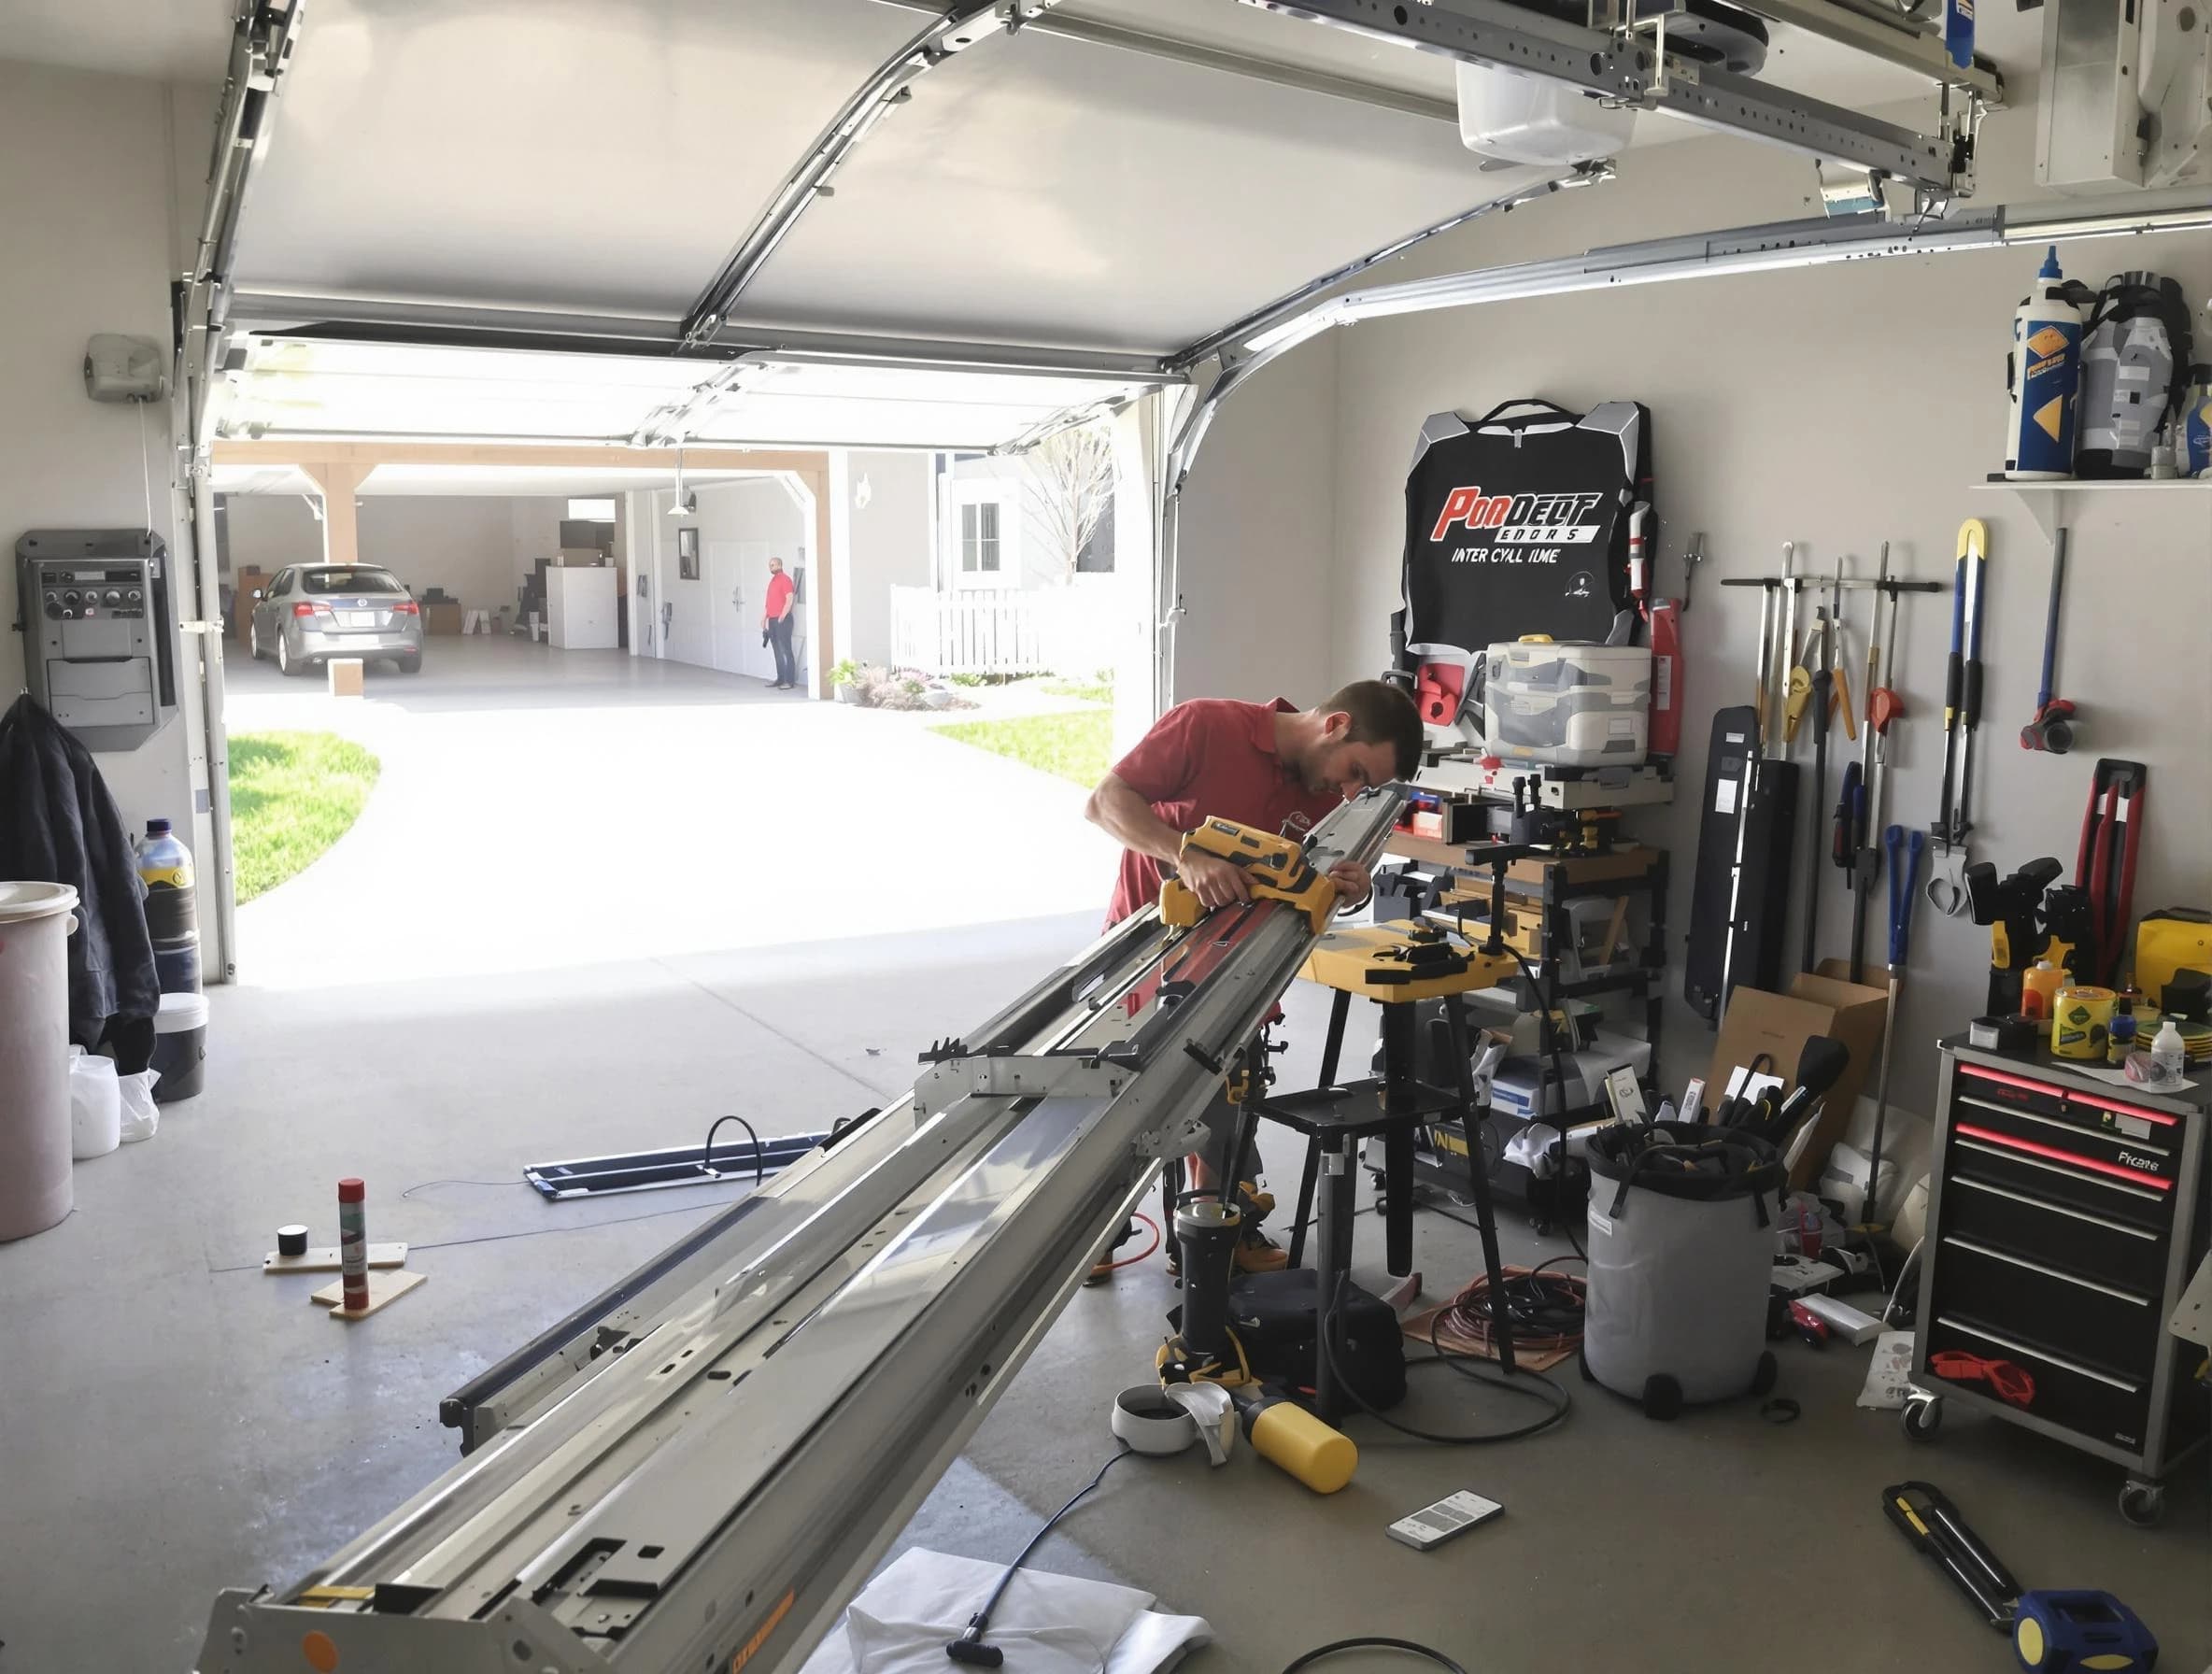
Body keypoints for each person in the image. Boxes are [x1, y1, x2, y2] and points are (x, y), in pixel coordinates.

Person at [1083, 681, 1425, 1281]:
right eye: (1354, 772)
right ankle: (1096, 1231)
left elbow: (1312, 883)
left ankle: (1212, 1230)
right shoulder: (1206, 727)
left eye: (1363, 789)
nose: (1348, 793)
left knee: (1227, 1093)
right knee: (1118, 1095)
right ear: (1336, 724)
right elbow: (1106, 801)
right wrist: (1183, 854)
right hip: (1146, 950)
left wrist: (1353, 889)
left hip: (1238, 965)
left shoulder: (1324, 797)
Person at [762, 556, 798, 689]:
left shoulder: (785, 579)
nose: (771, 568)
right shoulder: (772, 582)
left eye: (773, 565)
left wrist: (783, 615)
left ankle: (789, 681)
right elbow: (769, 603)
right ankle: (780, 679)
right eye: (770, 565)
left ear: (779, 565)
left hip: (783, 620)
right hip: (772, 620)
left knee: (786, 650)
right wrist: (764, 618)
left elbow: (789, 598)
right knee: (777, 650)